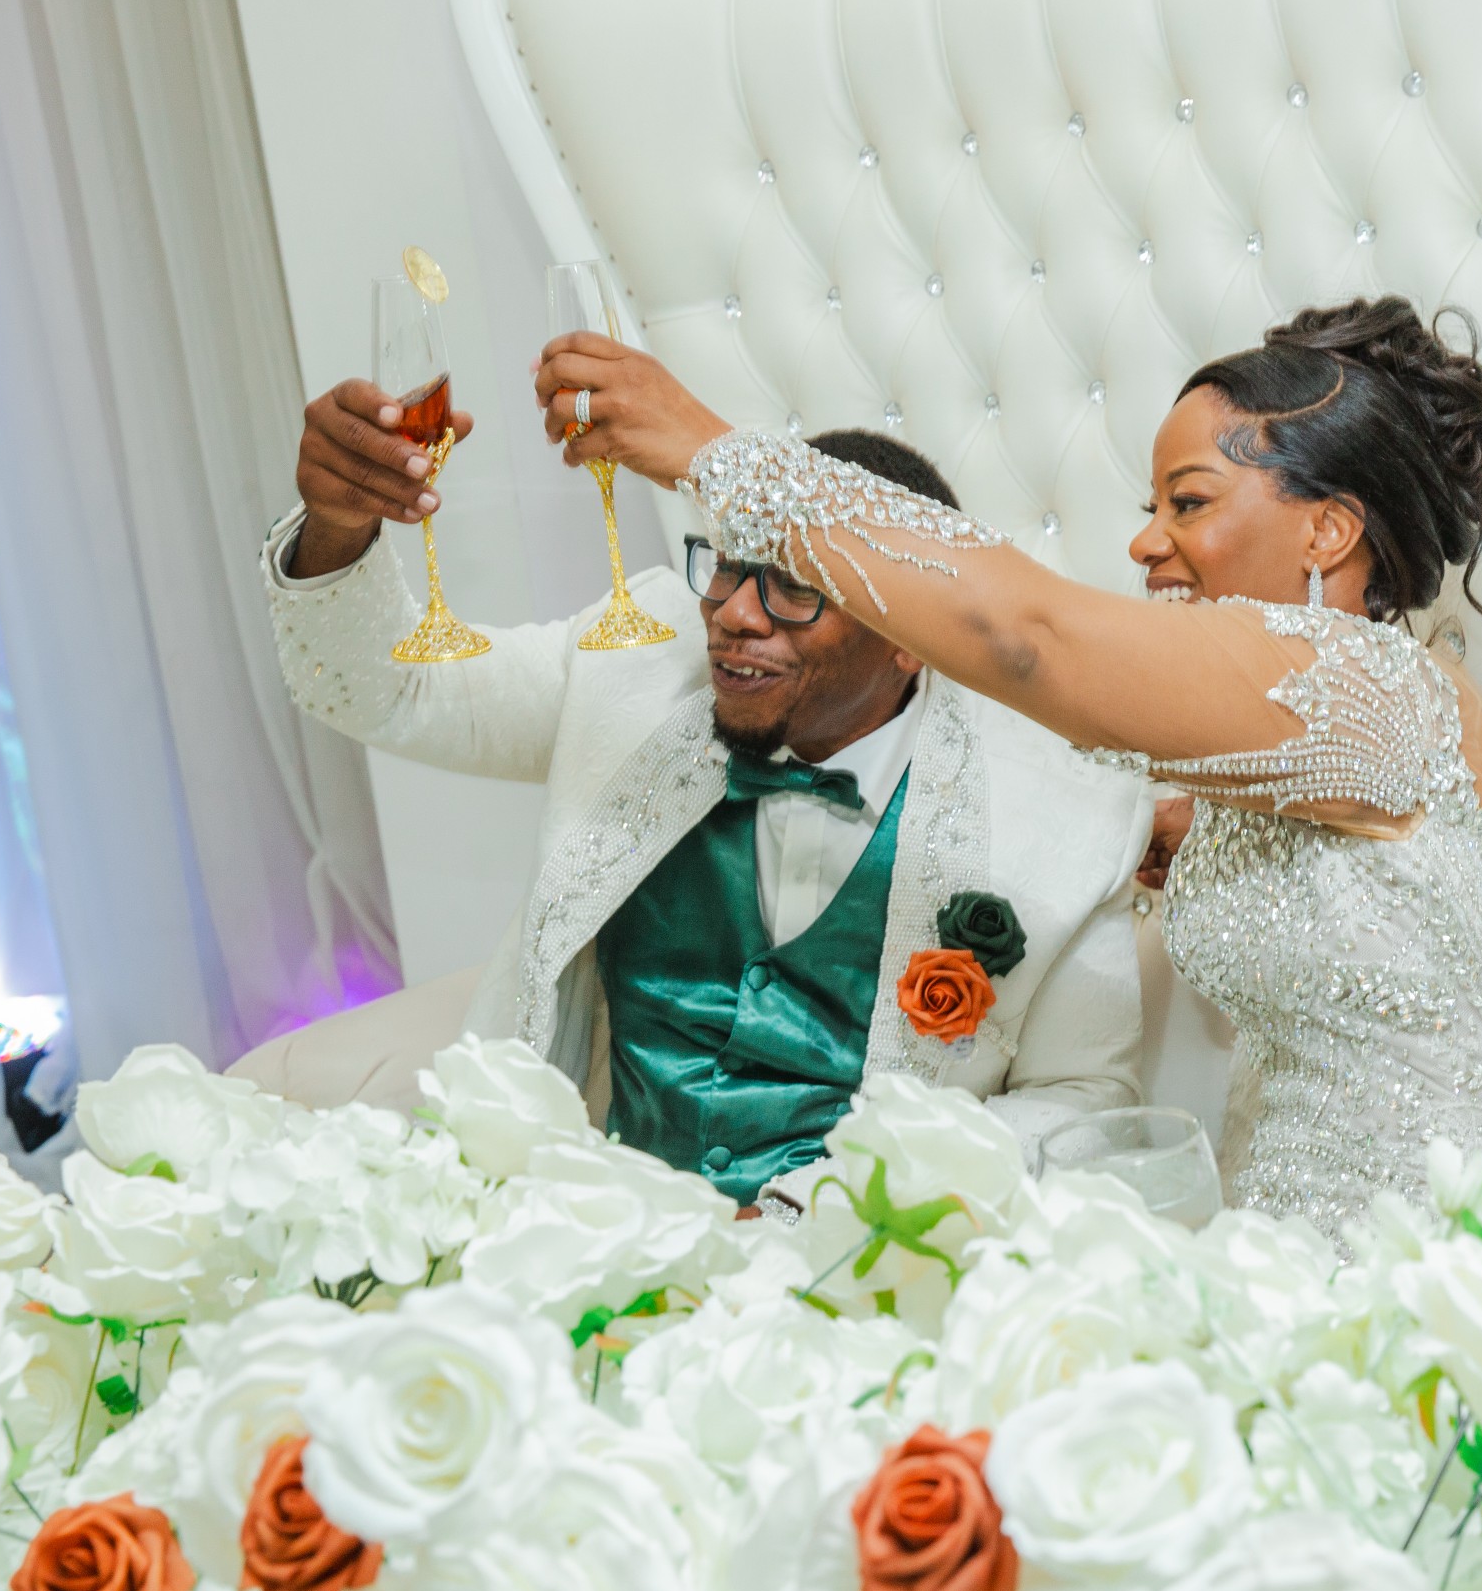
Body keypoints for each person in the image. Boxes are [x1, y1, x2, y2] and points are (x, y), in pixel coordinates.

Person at [536, 298, 1482, 1231]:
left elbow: (1029, 639)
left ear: (1328, 534)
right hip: (1307, 1225)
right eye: (1149, 507)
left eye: (1189, 503)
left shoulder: (1365, 687)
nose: (1147, 542)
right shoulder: (1338, 726)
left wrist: (717, 456)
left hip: (1464, 1252)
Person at [262, 388, 1154, 1206]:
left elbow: (1081, 1103)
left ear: (912, 636)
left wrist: (858, 1200)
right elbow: (382, 687)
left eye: (795, 586)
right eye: (728, 566)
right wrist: (339, 523)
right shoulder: (632, 668)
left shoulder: (1066, 817)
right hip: (590, 1238)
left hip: (855, 1282)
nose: (732, 611)